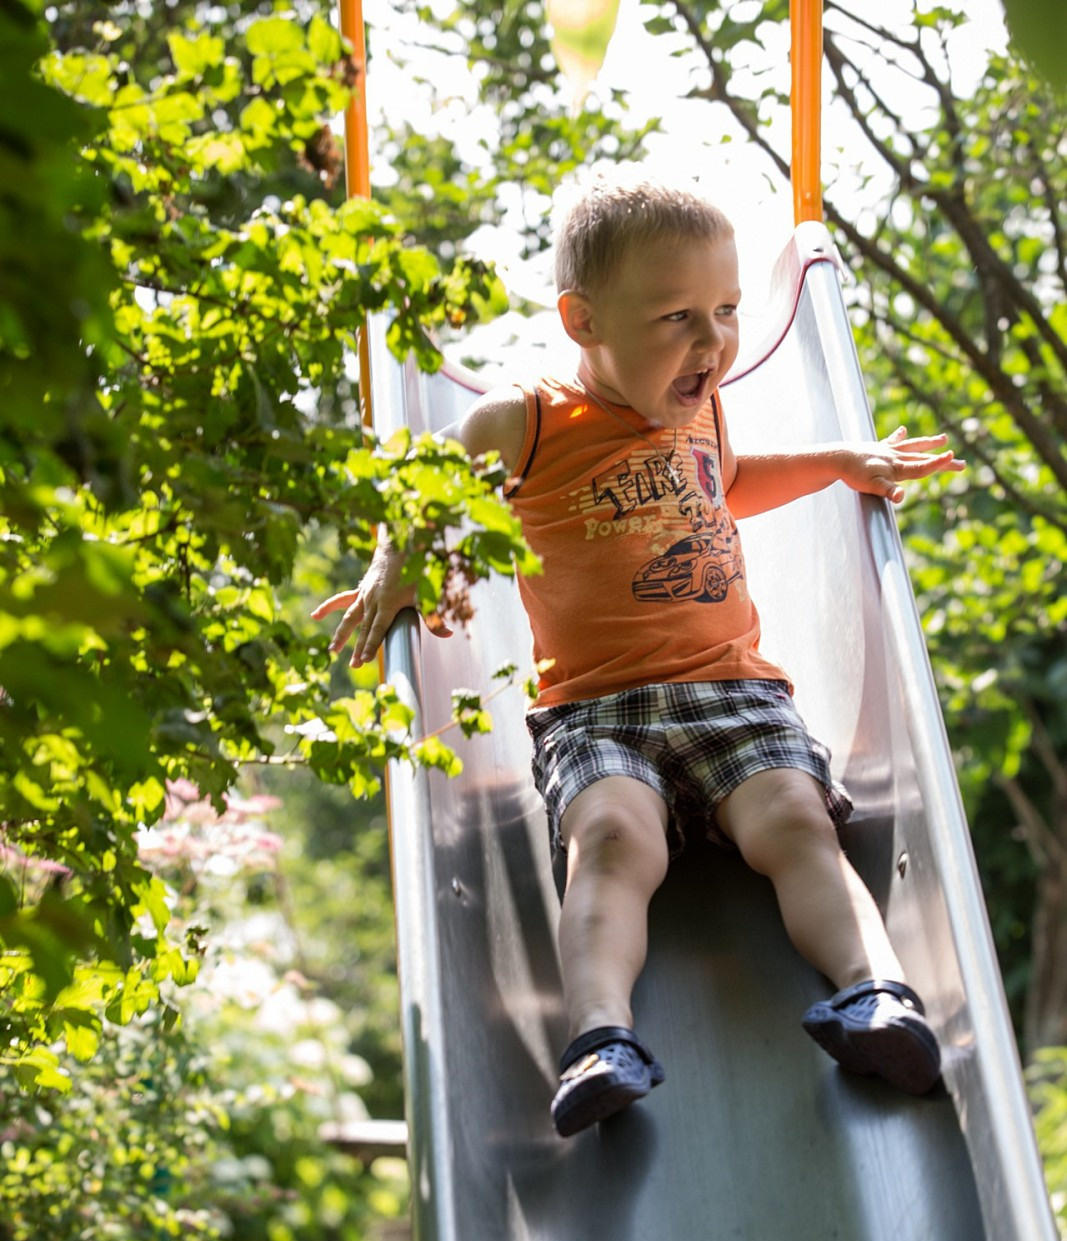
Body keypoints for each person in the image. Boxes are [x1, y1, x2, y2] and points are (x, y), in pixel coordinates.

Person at [312, 170, 965, 1138]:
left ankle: (875, 995)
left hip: (732, 691)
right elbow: (423, 488)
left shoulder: (702, 406)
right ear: (582, 320)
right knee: (612, 841)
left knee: (795, 820)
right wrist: (392, 571)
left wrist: (835, 461)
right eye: (674, 317)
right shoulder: (523, 419)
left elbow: (728, 485)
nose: (710, 342)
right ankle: (597, 1036)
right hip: (594, 708)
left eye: (726, 310)